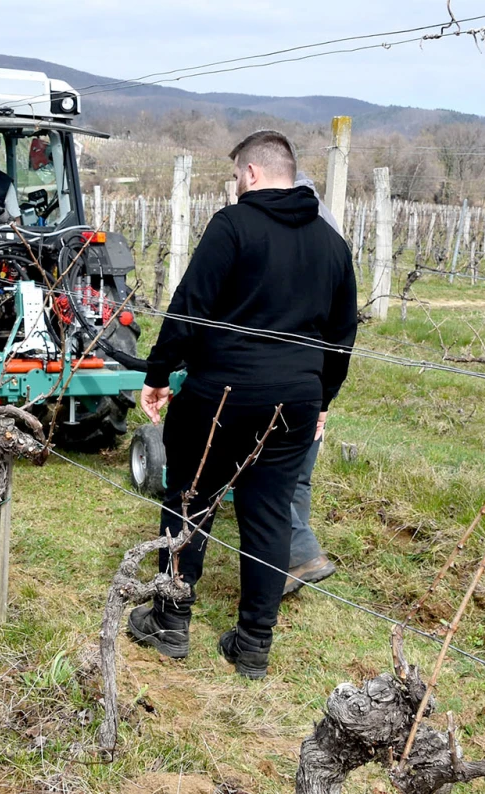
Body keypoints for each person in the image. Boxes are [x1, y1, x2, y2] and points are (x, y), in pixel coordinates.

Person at [127, 130, 357, 679]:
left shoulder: (233, 226)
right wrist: (322, 397)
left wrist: (158, 375)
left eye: (235, 177)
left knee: (190, 500)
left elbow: (190, 311)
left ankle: (170, 620)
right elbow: (343, 335)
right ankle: (253, 642)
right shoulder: (332, 243)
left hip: (222, 396)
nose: (235, 186)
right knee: (270, 515)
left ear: (251, 174)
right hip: (295, 402)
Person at [283, 172, 343, 596]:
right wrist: (327, 396)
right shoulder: (334, 235)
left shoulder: (285, 233)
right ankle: (290, 563)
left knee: (268, 474)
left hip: (286, 373)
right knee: (300, 476)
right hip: (320, 377)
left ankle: (301, 551)